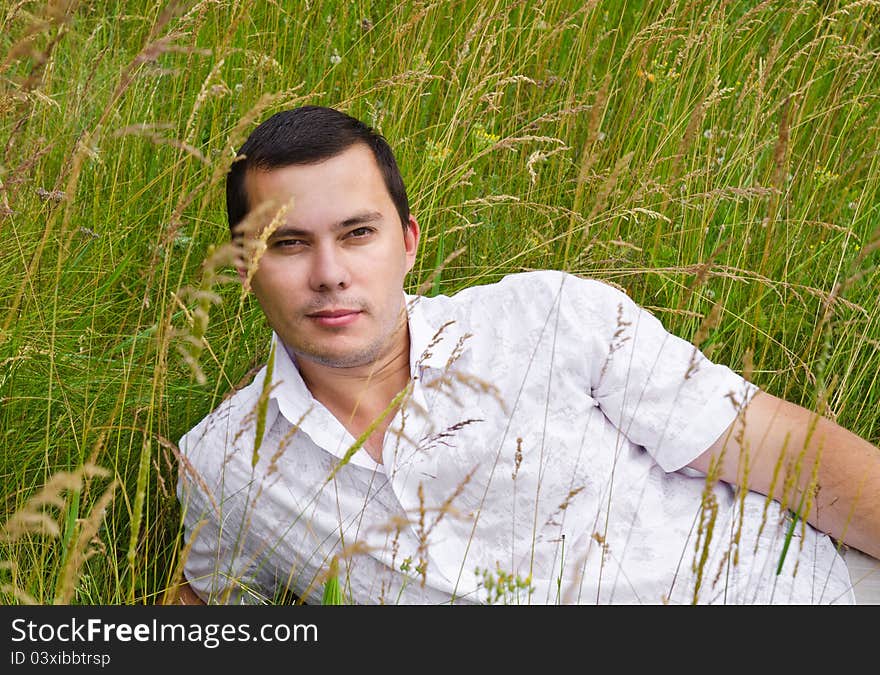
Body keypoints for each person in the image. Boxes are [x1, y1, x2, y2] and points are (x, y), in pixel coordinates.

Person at [174, 105, 879, 606]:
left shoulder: (547, 316)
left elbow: (794, 455)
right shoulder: (228, 465)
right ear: (244, 266)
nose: (329, 273)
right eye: (289, 243)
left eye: (357, 234)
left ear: (409, 241)